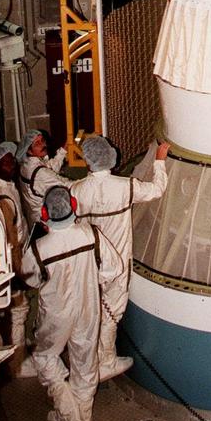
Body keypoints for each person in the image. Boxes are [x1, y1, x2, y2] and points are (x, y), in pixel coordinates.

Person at [20, 184, 114, 421]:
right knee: (85, 362)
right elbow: (112, 269)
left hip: (55, 316)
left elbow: (30, 280)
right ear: (74, 207)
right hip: (88, 309)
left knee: (45, 357)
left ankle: (69, 413)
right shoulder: (90, 235)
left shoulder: (40, 249)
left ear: (45, 213)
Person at [75, 134, 170, 381]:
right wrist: (159, 160)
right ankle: (105, 362)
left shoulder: (76, 190)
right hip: (117, 262)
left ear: (87, 160)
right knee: (111, 314)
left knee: (90, 310)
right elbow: (157, 189)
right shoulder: (124, 187)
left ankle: (86, 361)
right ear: (111, 158)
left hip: (88, 262)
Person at [0, 141, 29, 367]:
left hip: (18, 250)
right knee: (19, 309)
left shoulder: (8, 185)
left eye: (12, 159)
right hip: (10, 258)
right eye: (5, 161)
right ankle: (17, 365)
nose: (11, 164)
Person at [16, 128, 72, 227]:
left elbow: (50, 167)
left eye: (42, 141)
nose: (43, 145)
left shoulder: (27, 163)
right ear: (29, 150)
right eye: (37, 144)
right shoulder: (38, 172)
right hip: (44, 222)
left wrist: (64, 149)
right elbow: (66, 185)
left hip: (34, 217)